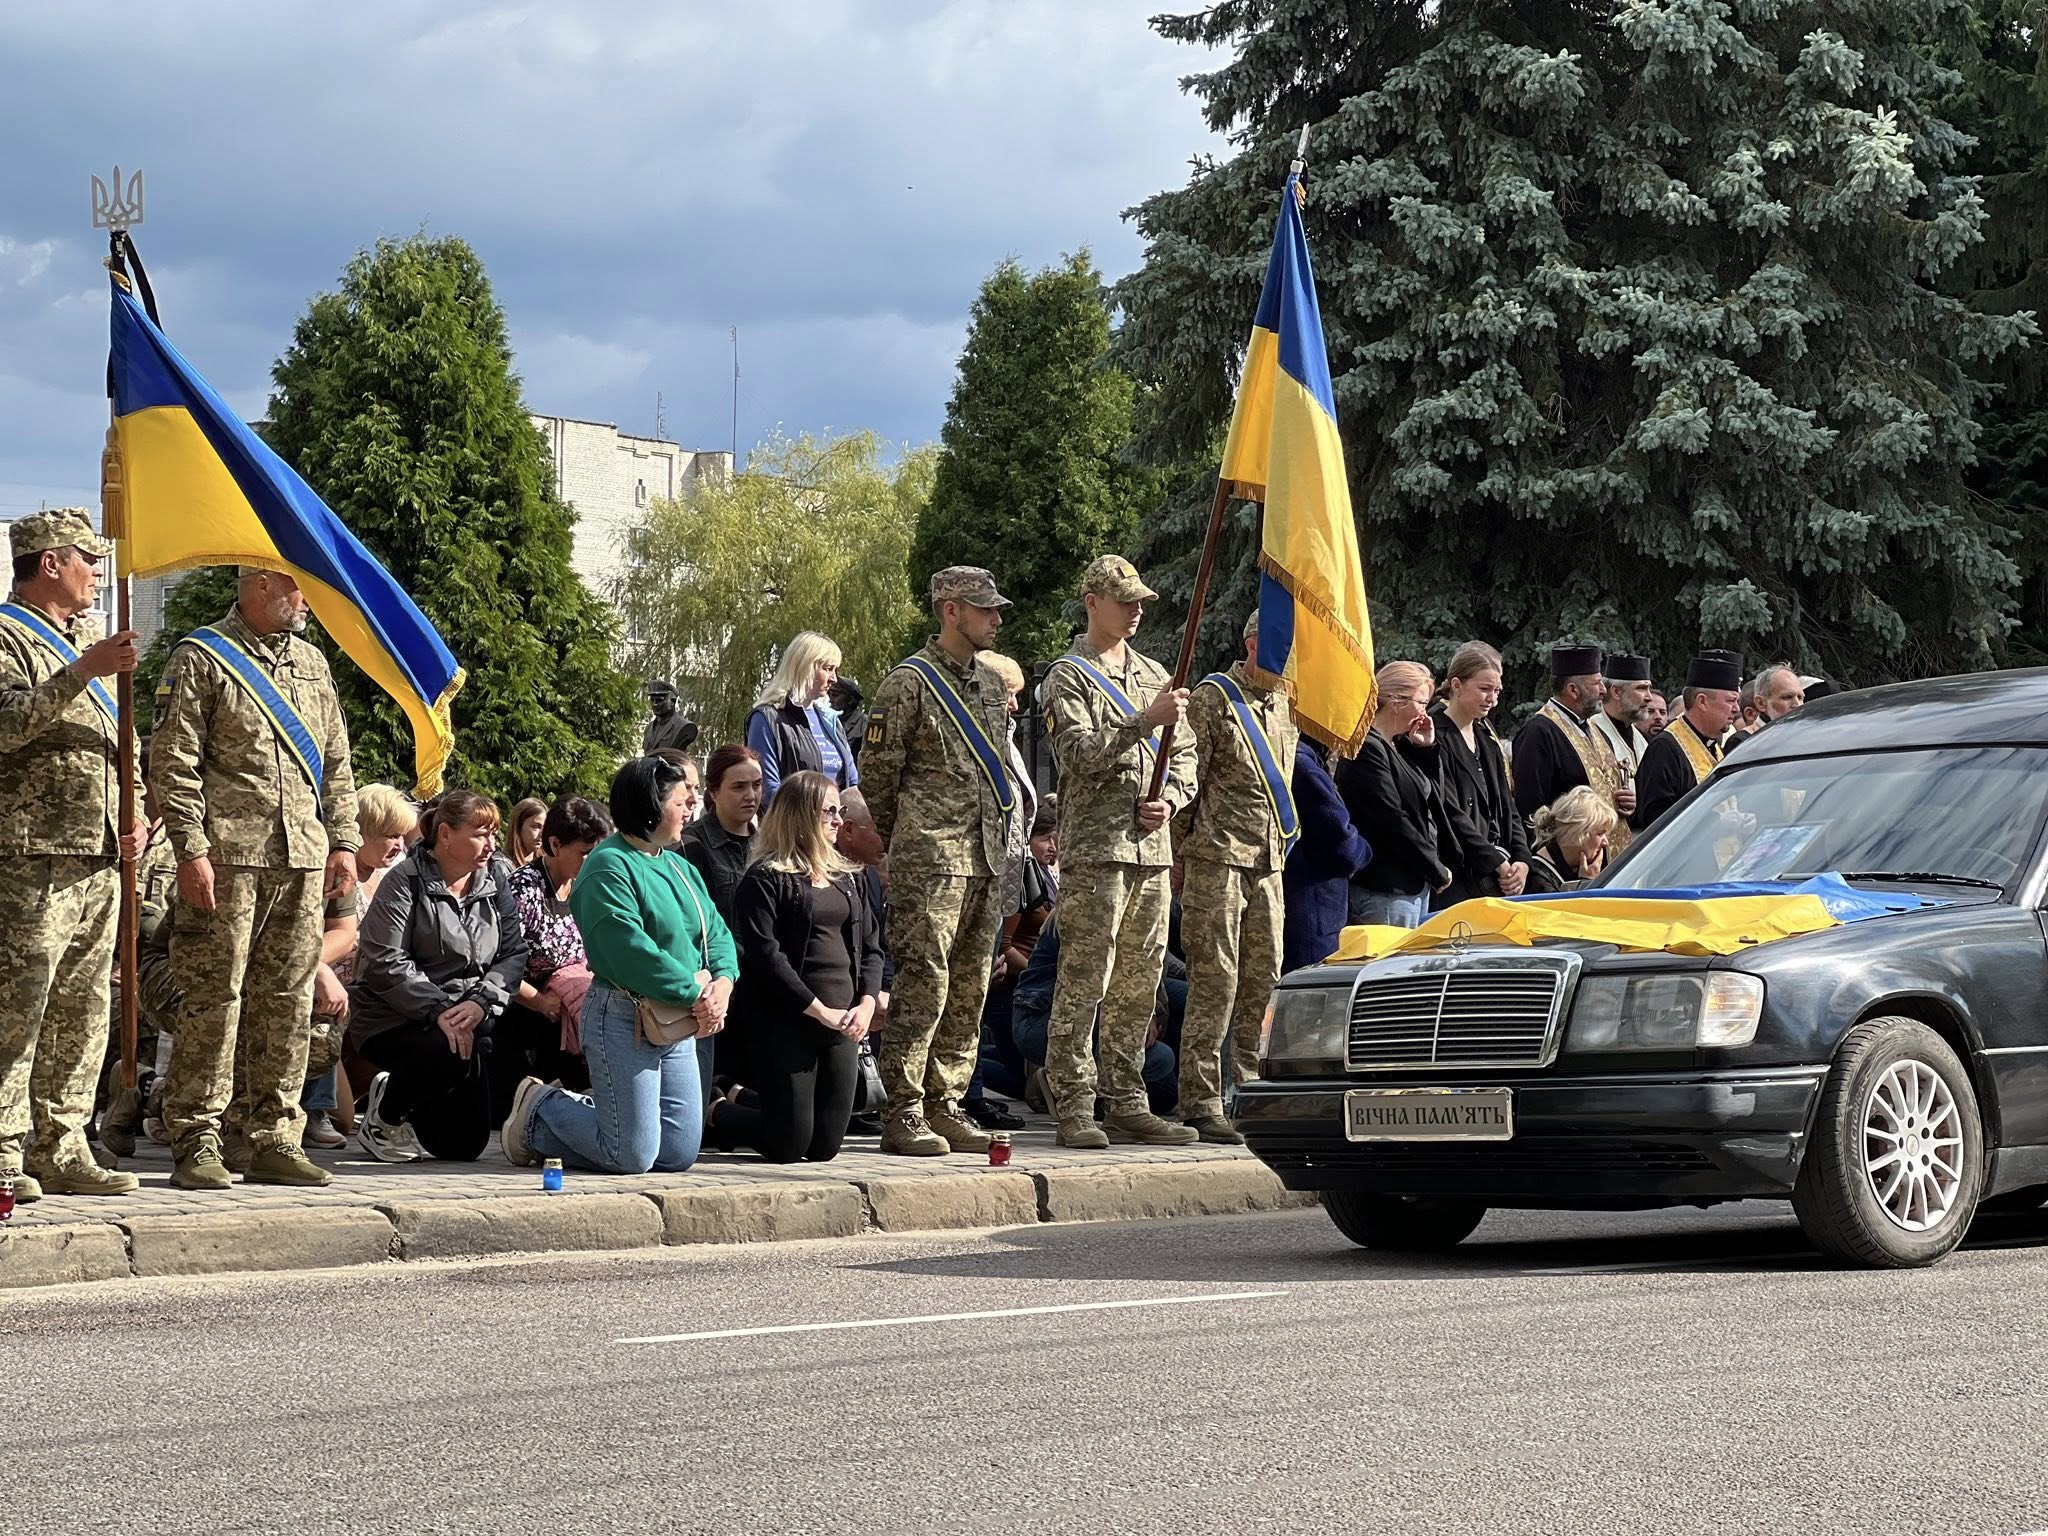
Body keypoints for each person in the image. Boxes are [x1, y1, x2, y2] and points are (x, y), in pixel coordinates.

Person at [151, 565, 359, 1191]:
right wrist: (191, 849)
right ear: (262, 583)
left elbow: (336, 760)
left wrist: (343, 841)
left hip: (301, 857)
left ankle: (270, 1134)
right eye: (298, 585)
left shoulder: (312, 663)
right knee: (214, 999)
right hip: (228, 860)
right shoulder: (202, 656)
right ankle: (196, 1135)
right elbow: (173, 761)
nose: (307, 599)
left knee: (288, 999)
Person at [0, 508, 144, 1198]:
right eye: (88, 559)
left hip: (100, 853)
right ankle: (3, 1150)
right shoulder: (9, 635)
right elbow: (6, 725)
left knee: (82, 1011)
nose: (98, 573)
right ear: (50, 562)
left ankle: (61, 1145)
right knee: (17, 1008)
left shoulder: (87, 642)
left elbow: (123, 745)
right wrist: (83, 671)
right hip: (30, 857)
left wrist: (135, 812)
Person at [505, 756, 735, 1174]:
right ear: (650, 805)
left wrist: (723, 984)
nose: (691, 807)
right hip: (624, 1016)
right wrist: (697, 994)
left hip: (678, 1017)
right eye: (681, 800)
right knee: (631, 1156)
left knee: (677, 1153)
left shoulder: (678, 864)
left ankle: (598, 1123)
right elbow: (628, 951)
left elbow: (716, 933)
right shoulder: (607, 866)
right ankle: (541, 1107)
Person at [1038, 555, 1198, 1148]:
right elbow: (1078, 755)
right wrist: (1143, 720)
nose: (1135, 612)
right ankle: (1075, 1103)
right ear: (1093, 603)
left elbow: (1186, 754)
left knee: (1140, 981)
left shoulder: (1154, 673)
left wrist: (1172, 800)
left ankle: (1127, 1099)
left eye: (1139, 603)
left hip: (1151, 852)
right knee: (1085, 980)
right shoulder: (1068, 676)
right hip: (1097, 851)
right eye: (1124, 601)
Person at [861, 566, 1016, 1157]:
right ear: (951, 610)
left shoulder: (991, 683)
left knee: (970, 988)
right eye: (985, 608)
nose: (995, 619)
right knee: (925, 983)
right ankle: (903, 1109)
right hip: (931, 858)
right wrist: (907, 843)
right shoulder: (908, 683)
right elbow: (878, 777)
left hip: (985, 856)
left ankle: (944, 1102)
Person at [708, 771, 884, 1163]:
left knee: (824, 1148)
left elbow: (872, 948)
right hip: (787, 1023)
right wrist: (819, 1011)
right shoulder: (765, 878)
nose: (838, 820)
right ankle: (718, 1112)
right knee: (788, 1145)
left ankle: (745, 1097)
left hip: (843, 1024)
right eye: (829, 812)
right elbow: (766, 957)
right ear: (801, 815)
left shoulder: (850, 878)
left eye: (839, 811)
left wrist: (867, 1004)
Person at [347, 792, 527, 1161]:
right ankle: (384, 1118)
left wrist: (481, 1002)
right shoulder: (404, 881)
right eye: (480, 834)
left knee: (463, 1147)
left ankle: (407, 1098)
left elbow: (513, 954)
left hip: (467, 1018)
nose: (491, 845)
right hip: (394, 1019)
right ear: (445, 834)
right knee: (444, 1046)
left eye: (494, 834)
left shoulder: (495, 879)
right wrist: (439, 1009)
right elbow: (386, 961)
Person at [1177, 612, 1300, 1144]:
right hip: (1217, 858)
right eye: (1280, 648)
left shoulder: (1286, 704)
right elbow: (1187, 782)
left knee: (1263, 978)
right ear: (1253, 643)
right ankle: (1201, 1099)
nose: (1289, 661)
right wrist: (1178, 855)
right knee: (1216, 980)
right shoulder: (1214, 699)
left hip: (1269, 862)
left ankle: (1248, 1090)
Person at [1336, 661, 1457, 928]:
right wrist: (1434, 867)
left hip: (1411, 884)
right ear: (1396, 702)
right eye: (1421, 703)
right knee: (1389, 956)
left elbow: (1432, 800)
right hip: (1386, 887)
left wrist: (1425, 749)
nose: (1425, 712)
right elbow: (1391, 820)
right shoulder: (1367, 748)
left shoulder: (1397, 745)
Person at [1425, 641, 1530, 907]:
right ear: (1457, 685)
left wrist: (1522, 859)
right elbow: (1448, 809)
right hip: (1460, 875)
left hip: (1497, 872)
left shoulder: (1485, 737)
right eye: (1484, 689)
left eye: (1497, 691)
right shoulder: (1434, 735)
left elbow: (1508, 806)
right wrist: (1494, 861)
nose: (1492, 699)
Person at [509, 795, 613, 1056]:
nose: (593, 861)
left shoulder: (587, 883)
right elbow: (500, 963)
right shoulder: (524, 889)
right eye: (585, 853)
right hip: (527, 1018)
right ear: (555, 844)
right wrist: (541, 1002)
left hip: (576, 1009)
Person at [1512, 643, 1627, 843]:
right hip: (1569, 851)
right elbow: (1532, 808)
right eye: (1597, 683)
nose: (1603, 690)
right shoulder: (1538, 732)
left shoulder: (1594, 729)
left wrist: (1625, 804)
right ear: (1573, 690)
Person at [1282, 738, 1371, 971]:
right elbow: (1342, 844)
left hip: (1317, 907)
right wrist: (1365, 850)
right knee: (1312, 985)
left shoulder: (1307, 760)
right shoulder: (1303, 764)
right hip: (1312, 907)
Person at [1633, 649, 1746, 831]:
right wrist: (1716, 822)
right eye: (1730, 701)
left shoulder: (1713, 746)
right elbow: (1654, 816)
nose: (1736, 709)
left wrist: (1742, 822)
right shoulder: (1666, 748)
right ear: (1702, 701)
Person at [746, 631, 860, 803]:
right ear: (805, 667)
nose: (834, 679)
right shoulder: (767, 719)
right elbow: (767, 790)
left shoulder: (831, 720)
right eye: (828, 669)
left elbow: (852, 785)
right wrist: (815, 815)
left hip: (835, 819)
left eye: (835, 670)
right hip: (791, 820)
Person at [680, 746, 762, 927]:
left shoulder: (769, 843)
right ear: (713, 792)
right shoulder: (691, 844)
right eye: (739, 787)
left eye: (757, 785)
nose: (751, 796)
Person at [1590, 652, 1652, 858]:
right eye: (1641, 688)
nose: (1649, 697)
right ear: (1616, 691)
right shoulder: (1592, 733)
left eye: (1649, 688)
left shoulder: (1641, 738)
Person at [1527, 786, 1618, 892]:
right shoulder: (1537, 878)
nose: (1606, 842)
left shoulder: (1577, 867)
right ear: (1578, 834)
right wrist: (1587, 884)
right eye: (1600, 834)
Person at [642, 679, 700, 756]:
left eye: (659, 700)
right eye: (652, 700)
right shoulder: (648, 728)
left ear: (673, 701)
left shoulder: (686, 727)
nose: (654, 704)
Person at [828, 676, 868, 762]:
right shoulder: (828, 722)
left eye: (835, 695)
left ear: (851, 700)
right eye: (829, 695)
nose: (830, 700)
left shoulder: (865, 724)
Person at [508, 797, 546, 870]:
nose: (542, 834)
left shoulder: (546, 865)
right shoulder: (502, 865)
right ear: (518, 827)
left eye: (544, 828)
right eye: (535, 827)